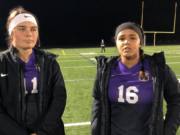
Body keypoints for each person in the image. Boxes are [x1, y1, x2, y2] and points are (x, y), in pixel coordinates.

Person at [91, 22, 180, 135]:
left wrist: (167, 131)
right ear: (116, 43)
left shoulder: (158, 69)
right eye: (121, 38)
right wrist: (95, 129)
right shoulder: (105, 70)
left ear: (140, 42)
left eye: (132, 38)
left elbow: (176, 99)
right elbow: (97, 100)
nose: (126, 42)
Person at [0, 6, 66, 135]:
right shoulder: (2, 64)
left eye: (33, 29)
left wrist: (43, 131)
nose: (29, 33)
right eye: (22, 28)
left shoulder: (49, 62)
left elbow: (59, 99)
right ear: (11, 32)